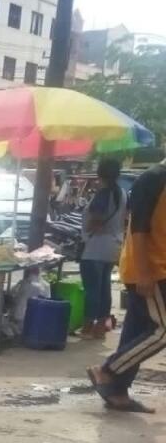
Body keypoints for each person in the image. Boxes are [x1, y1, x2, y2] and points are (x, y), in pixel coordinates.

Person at [88, 159, 166, 414]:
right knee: (162, 331)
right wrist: (144, 273)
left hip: (155, 268)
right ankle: (107, 370)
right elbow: (139, 230)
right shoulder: (154, 178)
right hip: (151, 269)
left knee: (135, 331)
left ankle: (117, 391)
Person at [78, 159, 127, 339]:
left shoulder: (104, 193)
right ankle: (100, 327)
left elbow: (96, 220)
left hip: (96, 246)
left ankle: (87, 327)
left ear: (100, 174)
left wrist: (88, 229)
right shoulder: (122, 193)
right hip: (113, 245)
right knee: (104, 288)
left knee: (92, 289)